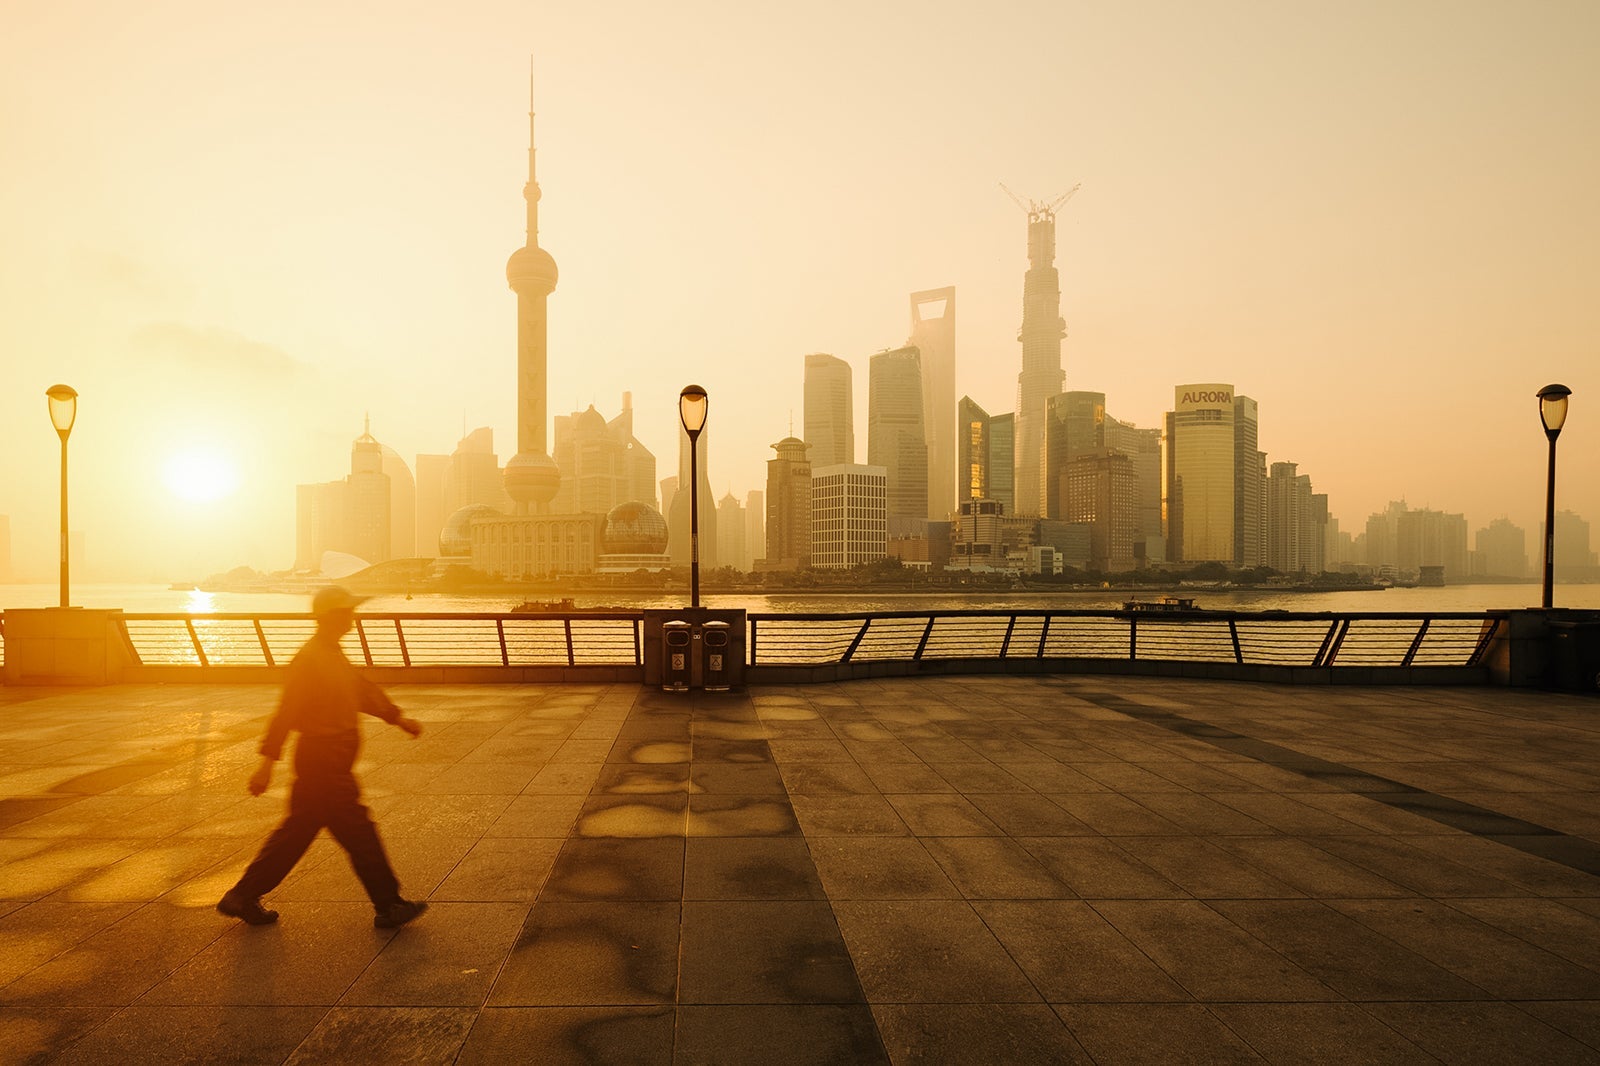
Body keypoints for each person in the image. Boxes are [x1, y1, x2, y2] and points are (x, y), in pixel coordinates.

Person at [217, 586, 429, 929]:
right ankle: (389, 905)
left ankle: (242, 896)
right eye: (346, 612)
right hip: (323, 762)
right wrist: (266, 763)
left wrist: (397, 718)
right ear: (332, 617)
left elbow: (360, 691)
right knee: (360, 833)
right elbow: (286, 713)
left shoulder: (332, 653)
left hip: (330, 761)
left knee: (295, 834)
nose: (352, 617)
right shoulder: (310, 659)